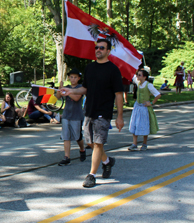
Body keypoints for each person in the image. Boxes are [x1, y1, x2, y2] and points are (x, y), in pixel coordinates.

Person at [61, 38, 125, 188]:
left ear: (108, 51)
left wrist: (119, 117)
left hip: (104, 112)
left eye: (102, 48)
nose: (98, 50)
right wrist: (71, 90)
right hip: (89, 111)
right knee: (90, 142)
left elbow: (118, 94)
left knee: (97, 143)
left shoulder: (113, 70)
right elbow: (85, 89)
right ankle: (107, 162)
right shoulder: (90, 68)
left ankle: (92, 175)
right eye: (97, 47)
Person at [55, 68, 86, 166]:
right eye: (71, 77)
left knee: (77, 136)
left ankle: (82, 149)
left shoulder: (80, 88)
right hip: (66, 115)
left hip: (76, 115)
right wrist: (60, 89)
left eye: (75, 77)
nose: (73, 79)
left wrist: (67, 92)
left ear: (79, 78)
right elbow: (57, 97)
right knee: (66, 136)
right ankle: (66, 157)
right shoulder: (67, 87)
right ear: (68, 77)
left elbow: (77, 98)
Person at [128, 69, 161, 151]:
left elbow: (158, 95)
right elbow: (132, 74)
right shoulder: (138, 83)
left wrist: (151, 103)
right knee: (135, 124)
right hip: (137, 107)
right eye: (138, 75)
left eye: (140, 75)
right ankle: (134, 144)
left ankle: (144, 143)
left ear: (145, 77)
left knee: (144, 125)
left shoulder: (148, 85)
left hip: (144, 108)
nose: (138, 76)